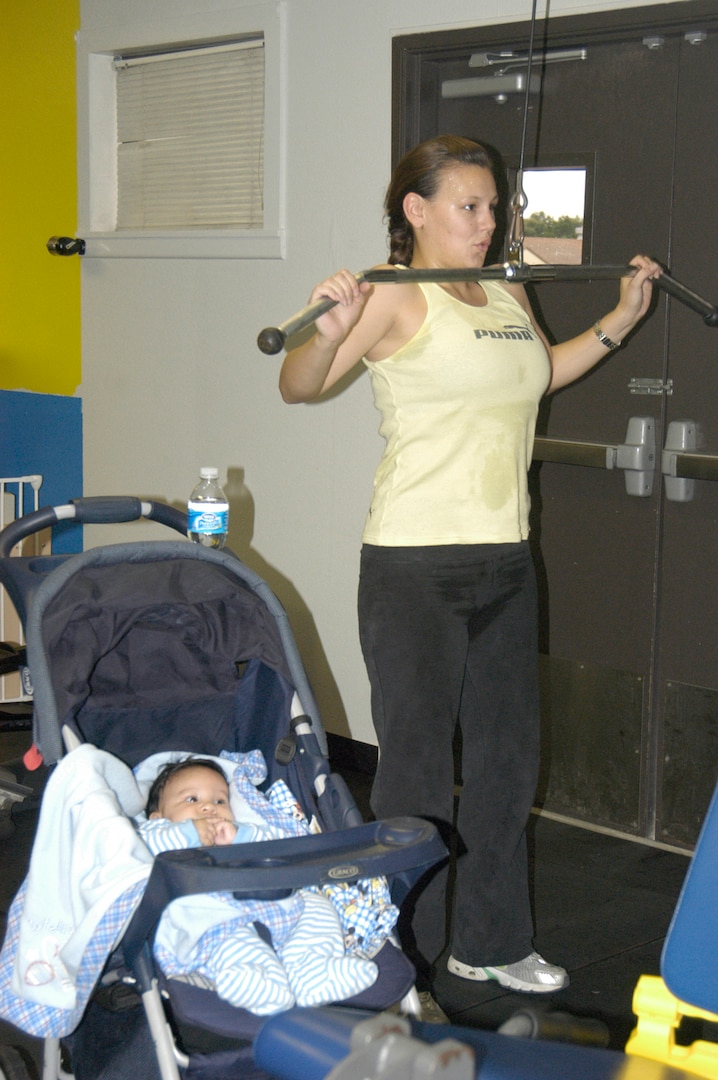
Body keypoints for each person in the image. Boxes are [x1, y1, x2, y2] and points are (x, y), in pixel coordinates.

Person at [278, 134, 662, 1011]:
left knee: (504, 765)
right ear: (417, 211)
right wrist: (329, 329)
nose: (487, 224)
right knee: (414, 772)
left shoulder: (504, 289)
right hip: (414, 563)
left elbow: (541, 373)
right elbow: (300, 386)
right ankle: (400, 964)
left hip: (505, 560)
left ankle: (492, 943)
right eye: (469, 206)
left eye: (494, 208)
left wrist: (621, 318)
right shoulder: (388, 293)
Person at [138, 756, 379, 1014]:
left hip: (275, 905)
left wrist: (242, 835)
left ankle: (313, 971)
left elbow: (280, 847)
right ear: (157, 816)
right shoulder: (152, 834)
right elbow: (148, 846)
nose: (209, 807)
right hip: (213, 920)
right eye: (192, 800)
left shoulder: (242, 832)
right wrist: (189, 832)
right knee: (238, 942)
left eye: (220, 800)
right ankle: (258, 981)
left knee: (316, 907)